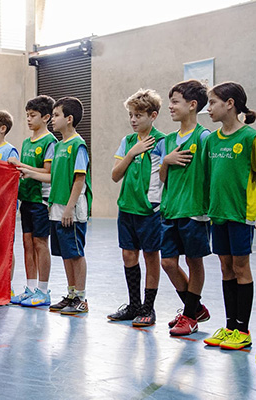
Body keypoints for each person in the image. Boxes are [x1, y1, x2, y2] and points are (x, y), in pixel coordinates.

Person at [202, 82, 256, 350]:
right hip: (218, 214)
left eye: (213, 103)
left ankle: (243, 329)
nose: (209, 109)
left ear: (229, 104)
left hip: (240, 214)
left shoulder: (250, 137)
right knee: (225, 267)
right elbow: (209, 177)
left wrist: (252, 208)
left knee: (241, 268)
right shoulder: (212, 140)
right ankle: (230, 327)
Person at [19, 97, 92, 315]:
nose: (53, 120)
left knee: (76, 253)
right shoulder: (60, 145)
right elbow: (52, 177)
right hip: (57, 206)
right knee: (67, 253)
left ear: (69, 119)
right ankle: (71, 295)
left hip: (73, 208)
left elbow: (79, 179)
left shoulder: (77, 145)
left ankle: (81, 297)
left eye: (57, 115)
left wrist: (69, 207)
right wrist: (27, 171)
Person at [157, 80, 212, 336]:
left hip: (193, 210)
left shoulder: (203, 138)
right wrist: (166, 162)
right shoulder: (168, 140)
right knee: (167, 262)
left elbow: (211, 175)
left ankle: (189, 315)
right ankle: (195, 307)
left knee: (193, 261)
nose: (170, 106)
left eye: (175, 101)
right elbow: (163, 178)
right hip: (170, 209)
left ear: (192, 105)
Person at [107, 89, 165, 327]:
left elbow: (165, 175)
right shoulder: (127, 141)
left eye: (138, 115)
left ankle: (148, 308)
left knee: (151, 255)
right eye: (131, 115)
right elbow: (115, 175)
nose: (133, 120)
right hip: (127, 207)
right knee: (129, 254)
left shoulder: (162, 141)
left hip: (150, 209)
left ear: (152, 115)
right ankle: (134, 305)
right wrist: (131, 153)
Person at [9, 95, 57, 307]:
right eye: (27, 115)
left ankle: (43, 290)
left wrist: (23, 167)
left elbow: (48, 171)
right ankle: (29, 287)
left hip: (41, 200)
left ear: (46, 117)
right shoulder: (27, 142)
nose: (28, 119)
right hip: (26, 199)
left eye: (33, 115)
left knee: (40, 243)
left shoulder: (50, 142)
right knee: (27, 243)